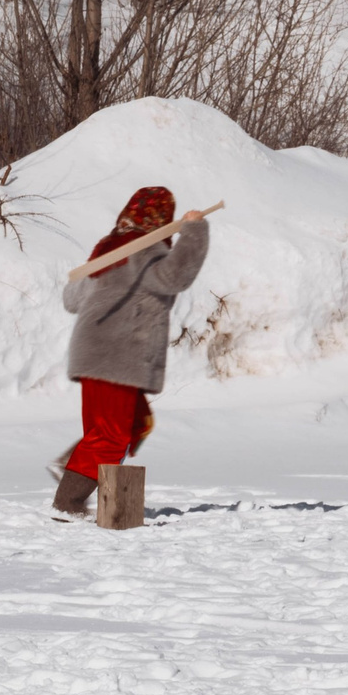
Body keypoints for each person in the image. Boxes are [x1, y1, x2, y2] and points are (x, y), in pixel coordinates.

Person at [54, 186, 209, 517]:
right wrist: (194, 230)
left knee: (138, 422)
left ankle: (81, 474)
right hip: (117, 357)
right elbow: (176, 276)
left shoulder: (107, 253)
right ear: (161, 219)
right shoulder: (146, 252)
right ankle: (68, 503)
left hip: (91, 355)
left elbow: (71, 300)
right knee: (111, 436)